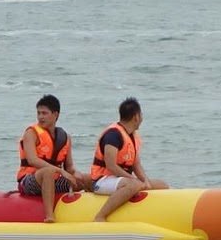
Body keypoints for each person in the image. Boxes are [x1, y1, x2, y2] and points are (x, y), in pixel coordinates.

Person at [89, 97, 168, 222]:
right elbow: (111, 166)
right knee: (134, 184)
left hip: (120, 180)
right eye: (141, 115)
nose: (142, 118)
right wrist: (133, 179)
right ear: (136, 117)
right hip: (102, 180)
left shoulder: (132, 136)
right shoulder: (113, 135)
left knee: (162, 185)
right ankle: (100, 216)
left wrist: (145, 181)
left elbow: (136, 164)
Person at [17, 94, 89, 222]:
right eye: (38, 113)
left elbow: (69, 167)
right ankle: (50, 216)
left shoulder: (65, 137)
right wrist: (60, 171)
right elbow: (32, 160)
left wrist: (76, 174)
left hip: (54, 182)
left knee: (88, 178)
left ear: (55, 114)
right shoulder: (31, 133)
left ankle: (93, 211)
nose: (40, 117)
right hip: (29, 181)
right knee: (48, 172)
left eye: (44, 113)